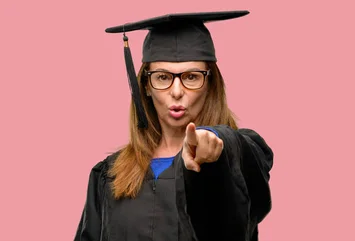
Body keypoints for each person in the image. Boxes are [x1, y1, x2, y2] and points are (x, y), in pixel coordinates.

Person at [74, 10, 274, 241]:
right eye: (162, 77)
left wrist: (211, 141)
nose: (177, 92)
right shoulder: (108, 174)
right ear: (146, 86)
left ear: (209, 83)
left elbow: (242, 149)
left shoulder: (236, 157)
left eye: (191, 77)